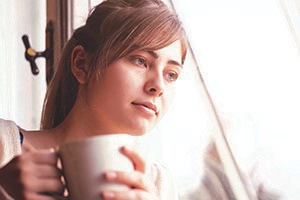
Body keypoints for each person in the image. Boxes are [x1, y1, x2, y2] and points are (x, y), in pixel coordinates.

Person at [0, 0, 188, 199]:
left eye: (171, 74)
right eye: (140, 60)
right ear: (82, 64)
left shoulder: (161, 186)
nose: (158, 86)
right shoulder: (4, 145)